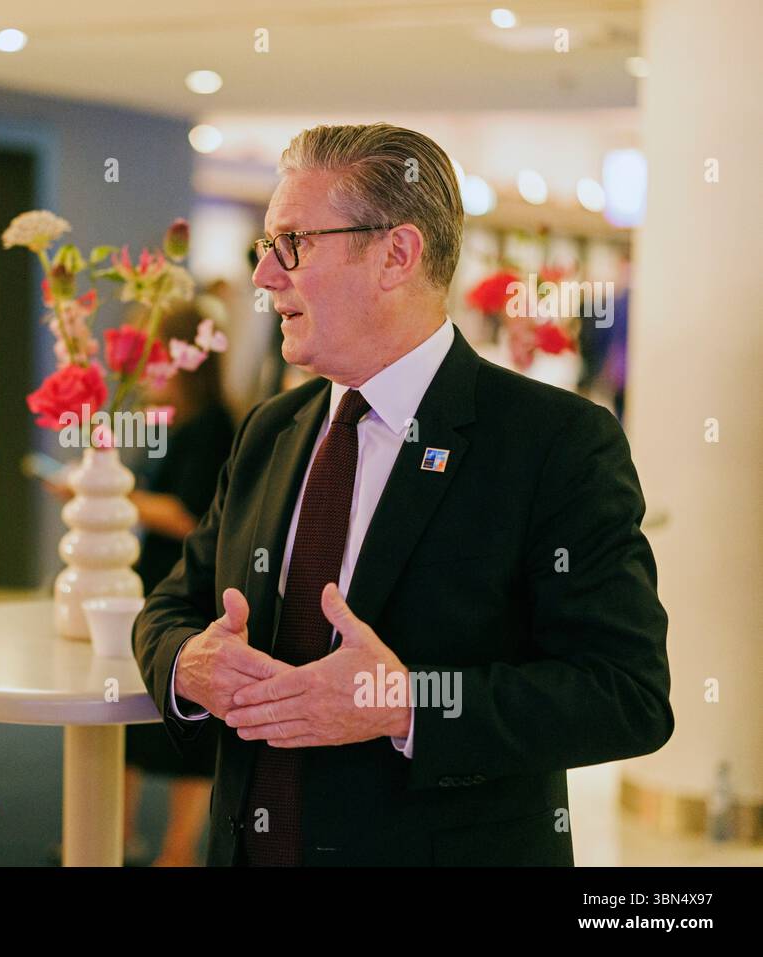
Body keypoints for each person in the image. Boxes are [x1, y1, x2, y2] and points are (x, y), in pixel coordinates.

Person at [133, 122, 673, 866]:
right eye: (266, 247)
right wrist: (186, 666)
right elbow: (171, 604)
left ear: (397, 254)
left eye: (293, 244)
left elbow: (625, 695)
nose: (264, 277)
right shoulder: (270, 429)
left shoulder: (554, 442)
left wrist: (406, 702)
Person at [123, 302, 235, 867]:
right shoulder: (173, 418)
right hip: (157, 578)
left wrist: (118, 495)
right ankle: (114, 838)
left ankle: (177, 852)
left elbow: (191, 515)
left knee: (186, 727)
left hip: (189, 583)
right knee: (135, 726)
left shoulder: (213, 425)